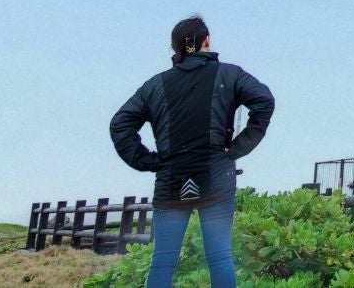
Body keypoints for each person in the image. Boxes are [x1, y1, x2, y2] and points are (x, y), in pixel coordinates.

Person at [110, 16, 275, 288]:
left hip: (171, 182)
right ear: (206, 42)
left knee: (162, 262)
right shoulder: (229, 74)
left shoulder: (155, 86)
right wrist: (236, 149)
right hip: (217, 180)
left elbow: (120, 125)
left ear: (175, 49)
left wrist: (150, 161)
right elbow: (264, 101)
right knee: (220, 257)